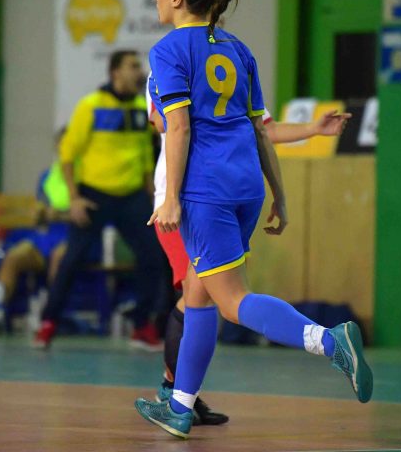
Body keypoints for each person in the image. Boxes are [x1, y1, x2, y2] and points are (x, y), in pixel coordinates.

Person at [134, 0, 373, 438]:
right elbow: (261, 131)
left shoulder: (168, 51)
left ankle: (330, 342)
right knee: (198, 296)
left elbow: (176, 126)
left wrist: (171, 197)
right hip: (245, 186)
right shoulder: (238, 50)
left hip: (205, 191)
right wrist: (278, 195)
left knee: (231, 301)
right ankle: (179, 406)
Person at [146, 77, 351, 426]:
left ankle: (179, 400)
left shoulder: (231, 65)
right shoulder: (173, 61)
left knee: (205, 299)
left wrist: (313, 130)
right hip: (181, 203)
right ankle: (175, 395)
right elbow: (165, 122)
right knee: (207, 297)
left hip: (220, 196)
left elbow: (263, 129)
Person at [33, 50, 165, 350]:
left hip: (132, 197)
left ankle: (141, 326)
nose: (139, 71)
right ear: (115, 72)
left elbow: (146, 157)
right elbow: (68, 155)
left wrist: (153, 196)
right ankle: (48, 323)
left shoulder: (141, 108)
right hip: (94, 196)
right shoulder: (90, 106)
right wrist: (75, 199)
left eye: (139, 66)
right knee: (71, 260)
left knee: (152, 257)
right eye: (133, 66)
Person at [0, 131, 70, 336]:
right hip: (45, 236)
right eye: (61, 145)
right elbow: (40, 211)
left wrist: (61, 215)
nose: (65, 149)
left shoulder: (86, 176)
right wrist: (39, 213)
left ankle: (51, 317)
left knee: (59, 258)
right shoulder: (47, 177)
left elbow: (91, 214)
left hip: (72, 236)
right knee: (14, 256)